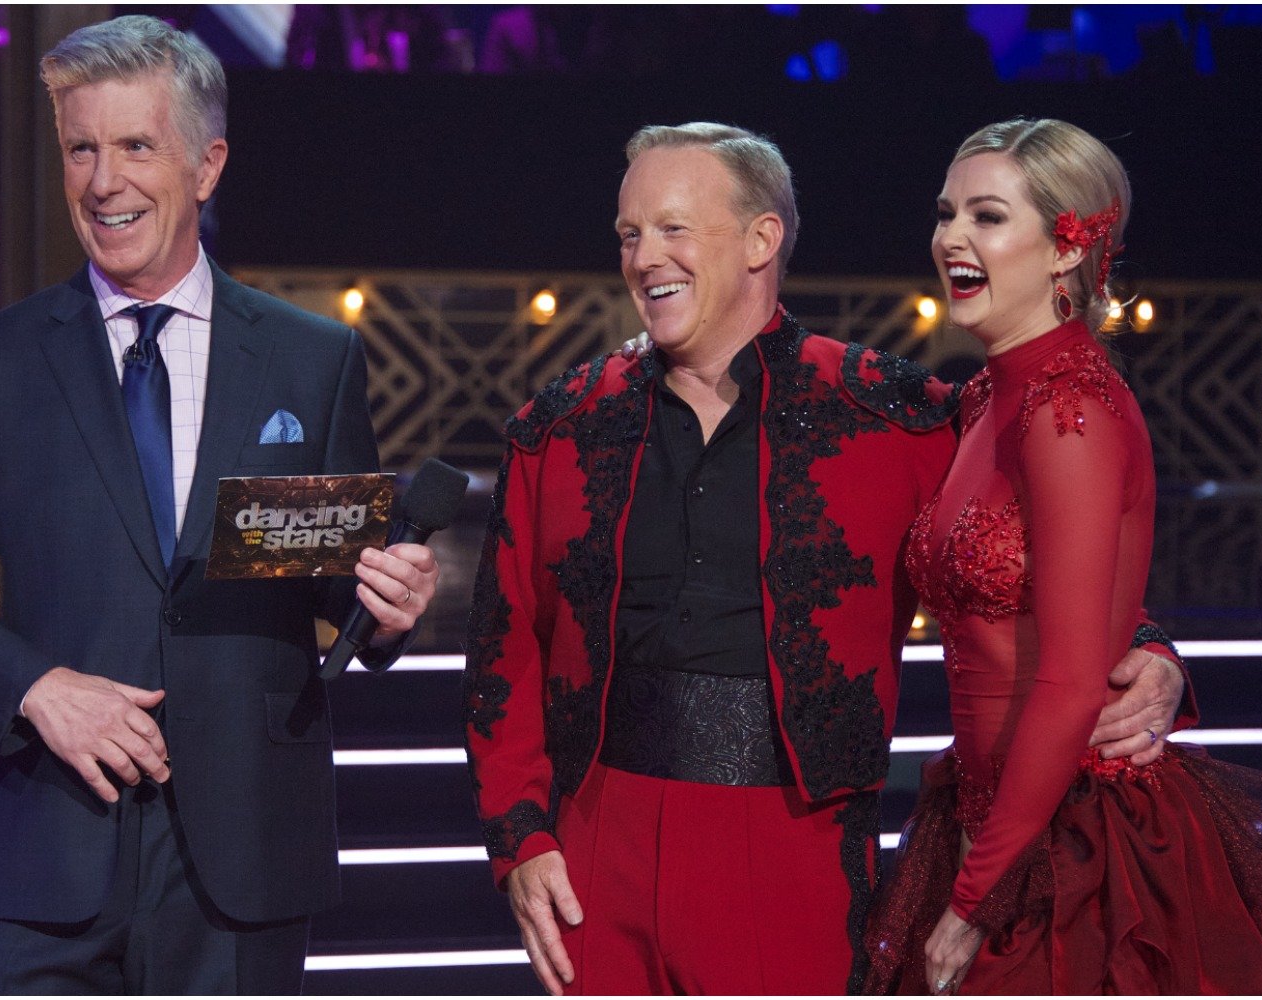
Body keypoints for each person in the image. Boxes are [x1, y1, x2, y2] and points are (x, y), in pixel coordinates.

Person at [462, 121, 1189, 996]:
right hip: (592, 854)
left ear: (763, 238)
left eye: (673, 228)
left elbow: (1025, 542)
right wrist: (521, 839)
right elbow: (503, 651)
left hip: (796, 852)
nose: (643, 255)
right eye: (629, 233)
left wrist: (1147, 647)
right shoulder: (558, 426)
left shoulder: (899, 413)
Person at [0, 16, 439, 994]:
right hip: (42, 846)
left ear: (206, 165)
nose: (101, 179)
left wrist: (386, 601)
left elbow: (335, 578)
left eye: (135, 145)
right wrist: (38, 686)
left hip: (244, 855)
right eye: (81, 147)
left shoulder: (311, 357)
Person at [862, 118, 1262, 995]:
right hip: (989, 817)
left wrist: (974, 896)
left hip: (1075, 839)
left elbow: (1071, 679)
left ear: (1067, 247)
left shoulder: (1070, 412)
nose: (951, 236)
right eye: (947, 212)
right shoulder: (989, 397)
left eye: (988, 216)